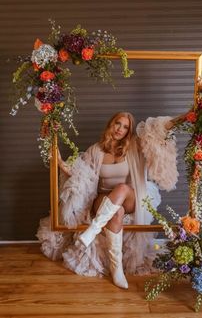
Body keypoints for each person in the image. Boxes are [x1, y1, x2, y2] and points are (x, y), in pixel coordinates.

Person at [37, 111, 182, 289]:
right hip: (104, 198)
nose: (120, 129)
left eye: (125, 127)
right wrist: (60, 163)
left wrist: (181, 119)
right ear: (110, 124)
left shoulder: (134, 146)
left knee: (121, 189)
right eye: (117, 124)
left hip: (129, 196)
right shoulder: (96, 150)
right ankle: (116, 269)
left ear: (129, 131)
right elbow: (82, 174)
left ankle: (92, 229)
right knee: (116, 212)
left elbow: (158, 130)